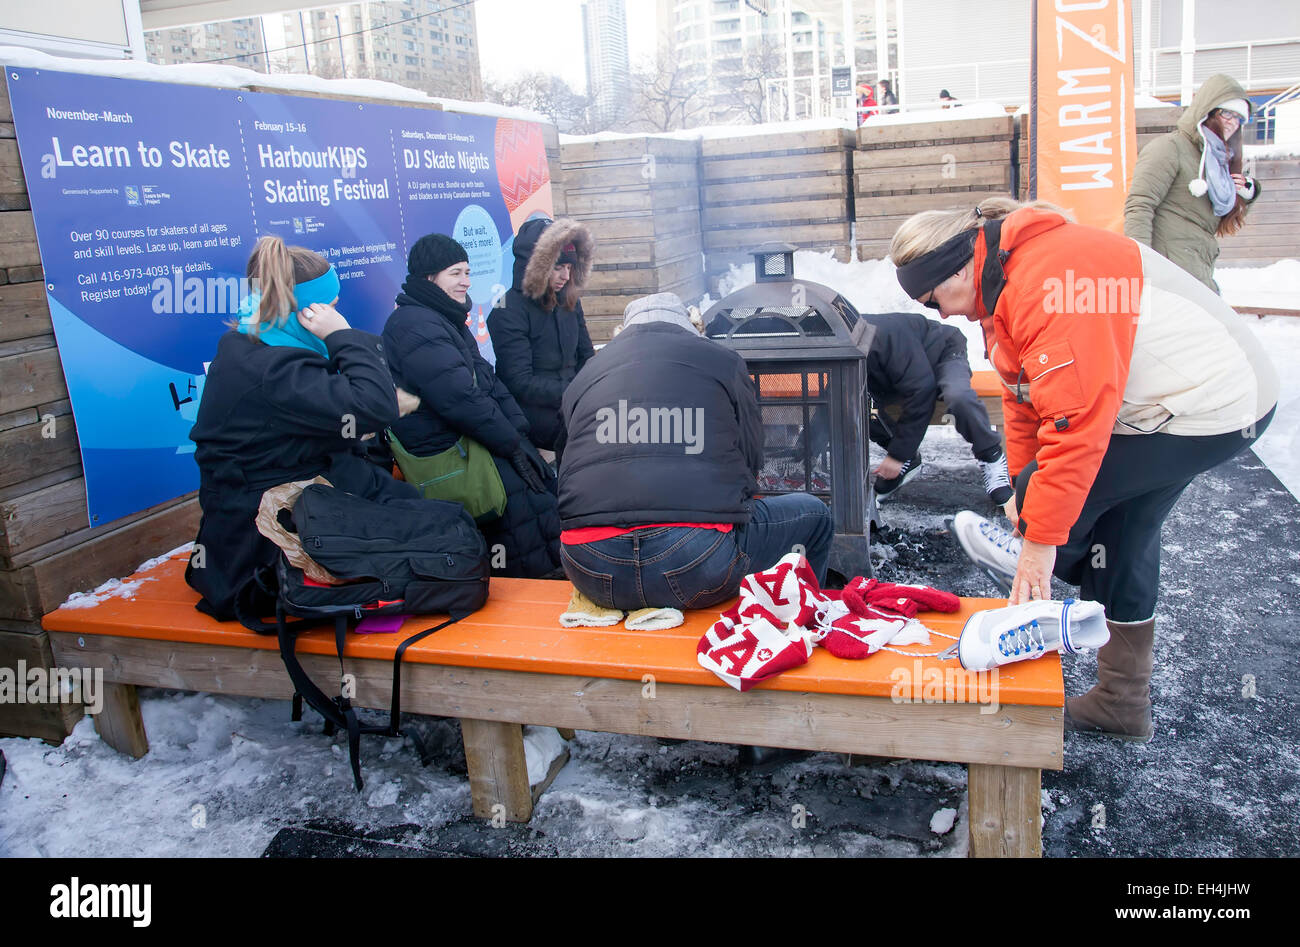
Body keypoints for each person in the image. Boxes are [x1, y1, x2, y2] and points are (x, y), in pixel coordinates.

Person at [890, 197, 1277, 742]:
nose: (944, 315)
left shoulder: (1049, 278)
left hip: (1208, 403)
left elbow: (1076, 427)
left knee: (1064, 508)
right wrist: (1024, 497)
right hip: (1184, 401)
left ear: (958, 267)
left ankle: (1036, 576)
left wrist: (1037, 539)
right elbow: (1025, 402)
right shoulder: (1002, 287)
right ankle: (1122, 701)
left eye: (937, 300)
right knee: (1125, 535)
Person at [186, 235, 420, 620]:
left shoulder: (259, 347)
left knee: (428, 518)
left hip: (285, 509)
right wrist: (342, 334)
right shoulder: (272, 367)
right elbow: (373, 406)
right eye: (330, 306)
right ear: (307, 311)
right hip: (262, 552)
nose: (337, 310)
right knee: (426, 529)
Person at [558, 293, 834, 611]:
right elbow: (752, 454)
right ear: (689, 325)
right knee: (816, 515)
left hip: (592, 570)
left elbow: (565, 465)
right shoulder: (723, 360)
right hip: (695, 563)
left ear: (625, 330)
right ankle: (808, 617)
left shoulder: (585, 375)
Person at [382, 234, 562, 579]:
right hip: (455, 450)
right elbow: (460, 398)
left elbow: (489, 380)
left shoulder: (444, 318)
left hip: (482, 438)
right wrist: (510, 444)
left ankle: (548, 582)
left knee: (540, 500)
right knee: (521, 516)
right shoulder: (412, 324)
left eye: (467, 271)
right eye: (455, 273)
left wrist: (520, 433)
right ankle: (533, 593)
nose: (466, 281)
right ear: (428, 277)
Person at [1124, 74, 1260, 294]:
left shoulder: (1216, 161)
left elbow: (1216, 221)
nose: (1231, 122)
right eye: (1226, 112)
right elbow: (1139, 205)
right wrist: (1141, 265)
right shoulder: (1170, 148)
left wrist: (1247, 195)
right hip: (1168, 269)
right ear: (1208, 110)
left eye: (1238, 118)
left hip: (1198, 265)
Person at [861, 310, 1011, 505]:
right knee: (859, 401)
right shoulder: (841, 338)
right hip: (896, 373)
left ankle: (991, 456)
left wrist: (896, 457)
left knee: (958, 396)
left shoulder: (887, 338)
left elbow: (922, 392)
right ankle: (908, 458)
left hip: (942, 354)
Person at [488, 216, 595, 463]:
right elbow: (519, 382)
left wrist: (593, 386)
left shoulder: (569, 300)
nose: (565, 276)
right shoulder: (508, 310)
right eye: (558, 268)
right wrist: (576, 393)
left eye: (569, 268)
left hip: (573, 402)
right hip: (535, 414)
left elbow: (586, 356)